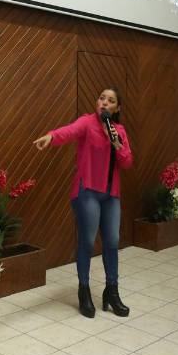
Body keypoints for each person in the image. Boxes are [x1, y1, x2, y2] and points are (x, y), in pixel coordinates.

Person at [33, 87, 133, 318]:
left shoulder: (119, 131)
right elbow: (68, 131)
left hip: (111, 195)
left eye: (110, 100)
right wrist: (51, 136)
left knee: (112, 241)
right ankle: (84, 290)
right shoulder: (87, 123)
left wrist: (117, 145)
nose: (104, 103)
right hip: (88, 191)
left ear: (117, 108)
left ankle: (112, 291)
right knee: (87, 242)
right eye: (101, 98)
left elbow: (127, 162)